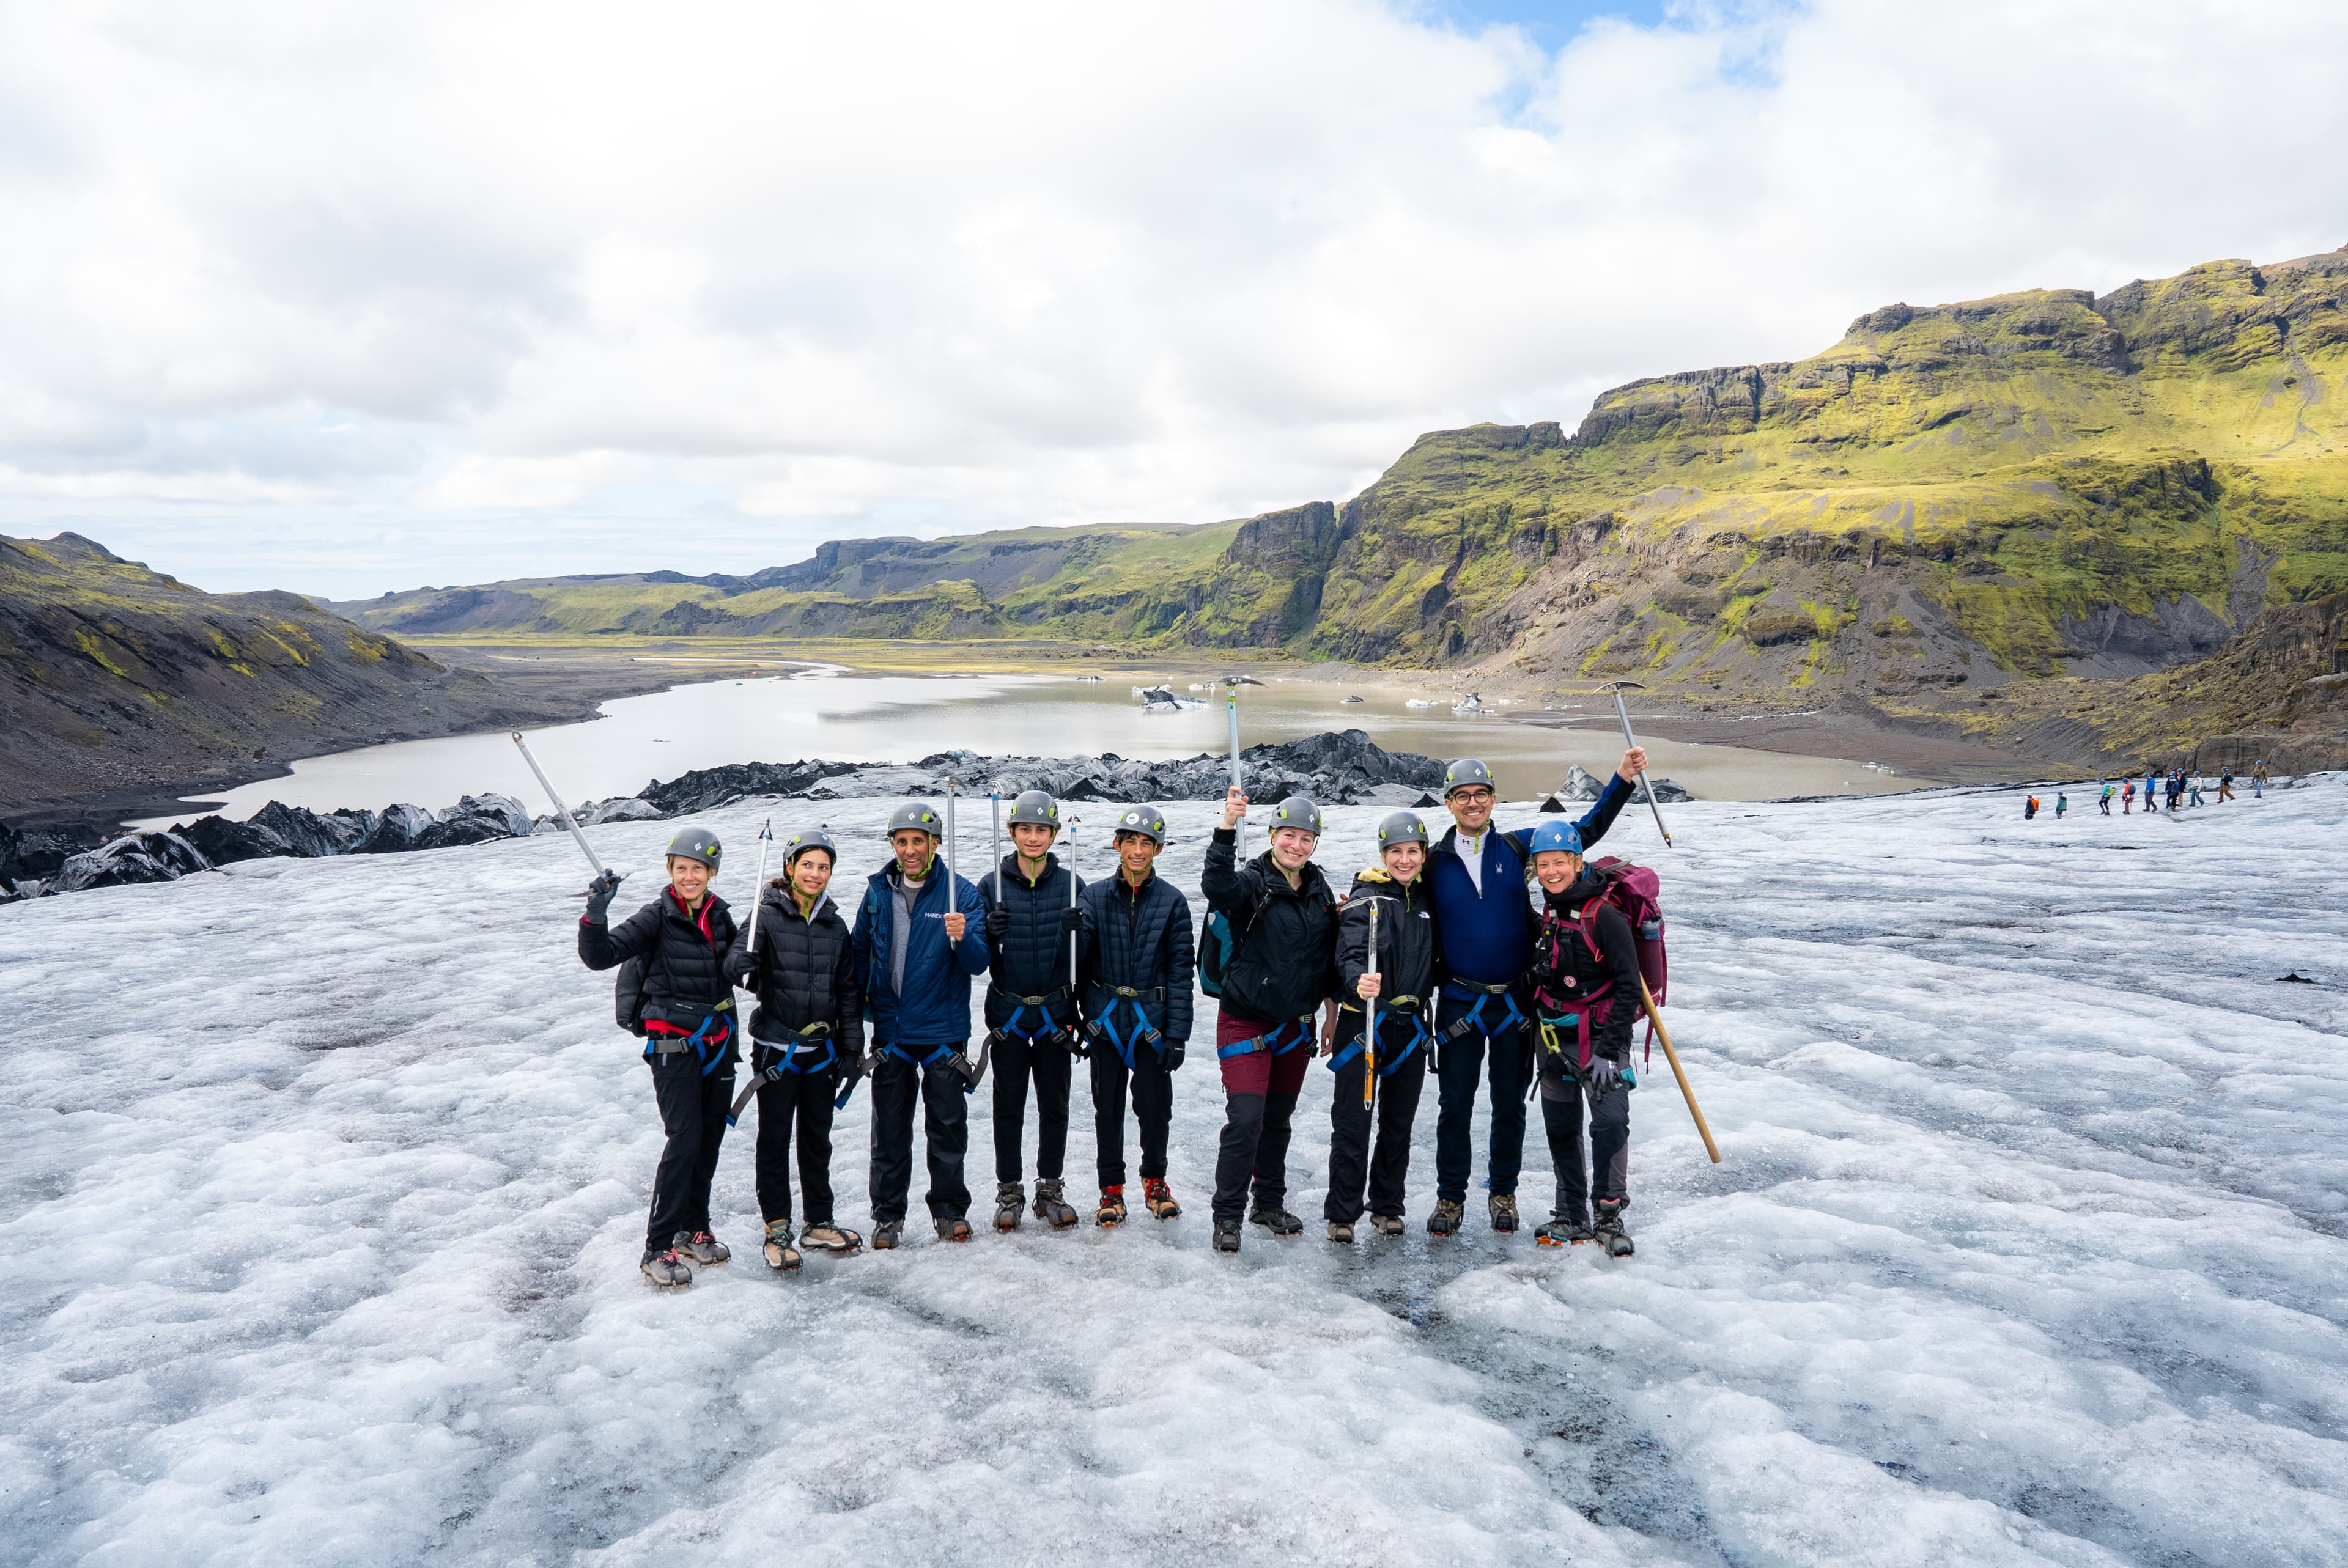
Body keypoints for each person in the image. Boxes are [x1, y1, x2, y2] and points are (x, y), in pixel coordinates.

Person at [1422, 751, 1644, 1237]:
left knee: (1509, 1104)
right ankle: (1450, 1197)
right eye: (1463, 795)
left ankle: (1503, 1192)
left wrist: (1622, 781)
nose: (1473, 802)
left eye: (1481, 794)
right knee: (1454, 1105)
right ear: (1449, 803)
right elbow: (1398, 886)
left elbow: (1579, 834)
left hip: (1514, 1004)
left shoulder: (1516, 848)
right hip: (1460, 1000)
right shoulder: (1433, 861)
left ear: (1493, 798)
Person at [577, 829, 740, 1289]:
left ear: (711, 873)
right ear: (671, 871)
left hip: (718, 1043)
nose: (689, 877)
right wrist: (596, 912)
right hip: (673, 1046)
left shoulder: (720, 917)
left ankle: (693, 1229)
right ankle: (658, 1246)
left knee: (708, 1139)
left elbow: (736, 970)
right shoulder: (655, 917)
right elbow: (601, 956)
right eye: (681, 868)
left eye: (698, 869)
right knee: (685, 1139)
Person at [1202, 790, 1342, 1254]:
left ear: (1314, 844)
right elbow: (1216, 884)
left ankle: (1268, 1203)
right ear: (1272, 835)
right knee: (1246, 1120)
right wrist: (1227, 825)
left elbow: (1325, 960)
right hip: (1245, 1022)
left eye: (1306, 838)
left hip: (1295, 1025)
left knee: (1277, 1120)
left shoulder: (1320, 892)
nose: (1296, 845)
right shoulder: (1250, 883)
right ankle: (1227, 1215)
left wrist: (1331, 1014)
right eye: (1289, 836)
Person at [724, 826, 865, 1271]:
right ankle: (777, 1229)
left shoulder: (835, 925)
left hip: (822, 1052)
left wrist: (851, 1048)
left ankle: (818, 1221)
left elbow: (848, 991)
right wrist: (740, 963)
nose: (815, 873)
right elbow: (735, 961)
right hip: (777, 1050)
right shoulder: (765, 916)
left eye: (823, 867)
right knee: (774, 1138)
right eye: (807, 864)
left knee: (816, 1138)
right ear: (790, 867)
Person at [851, 801, 991, 1246]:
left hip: (942, 1030)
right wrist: (853, 1018)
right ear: (893, 844)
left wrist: (963, 936)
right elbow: (859, 955)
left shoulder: (960, 894)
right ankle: (888, 1216)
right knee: (889, 1130)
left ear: (936, 843)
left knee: (947, 1127)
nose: (910, 850)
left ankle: (949, 1211)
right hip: (891, 1030)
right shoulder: (878, 893)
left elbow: (978, 962)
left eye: (919, 841)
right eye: (902, 841)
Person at [1523, 820, 1641, 1257]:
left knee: (1610, 1123)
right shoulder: (1552, 910)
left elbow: (1629, 986)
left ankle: (1608, 1214)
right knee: (1561, 1126)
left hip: (1600, 1041)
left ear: (1577, 862)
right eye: (1543, 864)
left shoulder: (1603, 915)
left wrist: (1610, 1052)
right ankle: (1571, 1212)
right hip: (1553, 1038)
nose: (1552, 871)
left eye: (1560, 863)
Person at [1076, 804, 1194, 1228]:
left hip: (1152, 1025)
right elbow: (1076, 961)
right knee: (1107, 1109)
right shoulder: (1093, 897)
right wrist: (1071, 931)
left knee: (1154, 1107)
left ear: (1158, 849)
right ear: (1117, 844)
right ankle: (1111, 1189)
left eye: (1147, 843)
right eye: (1130, 842)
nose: (1138, 850)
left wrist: (1177, 1034)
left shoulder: (1172, 902)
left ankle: (1155, 1181)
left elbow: (1181, 972)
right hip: (1106, 1022)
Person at [1323, 810, 1438, 1242]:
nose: (1404, 860)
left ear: (1423, 855)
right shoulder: (1365, 900)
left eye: (1412, 852)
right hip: (1364, 1022)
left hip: (1410, 1028)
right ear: (1383, 854)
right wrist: (1358, 979)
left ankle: (1387, 1205)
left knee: (1398, 1124)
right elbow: (1349, 952)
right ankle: (1342, 1213)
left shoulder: (1428, 900)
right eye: (1396, 852)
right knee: (1353, 1122)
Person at [977, 790, 1087, 1231]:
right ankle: (1009, 1189)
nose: (1034, 837)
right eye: (1025, 829)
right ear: (1012, 832)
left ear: (1054, 834)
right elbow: (977, 958)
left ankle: (1050, 1188)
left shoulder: (1072, 884)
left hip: (1056, 1013)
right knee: (1008, 1104)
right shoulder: (992, 885)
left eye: (1042, 830)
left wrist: (1077, 933)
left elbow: (1083, 959)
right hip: (1009, 1011)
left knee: (1054, 1104)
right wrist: (988, 932)